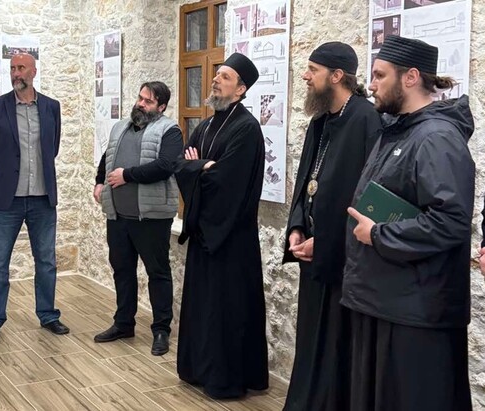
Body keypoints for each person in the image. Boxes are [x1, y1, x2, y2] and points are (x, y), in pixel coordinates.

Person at [345, 35, 474, 411]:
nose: (371, 84)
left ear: (411, 77)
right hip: (387, 298)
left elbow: (451, 221)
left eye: (380, 75)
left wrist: (378, 233)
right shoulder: (398, 130)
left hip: (416, 310)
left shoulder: (436, 138)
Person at [282, 42, 381, 411]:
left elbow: (367, 197)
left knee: (337, 348)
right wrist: (297, 225)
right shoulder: (321, 121)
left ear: (337, 75)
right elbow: (305, 181)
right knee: (311, 339)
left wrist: (324, 242)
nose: (305, 76)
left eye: (313, 70)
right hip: (312, 252)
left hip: (342, 259)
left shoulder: (366, 120)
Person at [175, 52, 268, 399]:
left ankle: (226, 379)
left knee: (228, 310)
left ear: (241, 89)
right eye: (217, 75)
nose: (215, 79)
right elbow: (180, 165)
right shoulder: (205, 125)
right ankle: (198, 369)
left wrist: (199, 167)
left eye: (224, 77)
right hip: (205, 234)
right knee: (204, 309)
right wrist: (202, 166)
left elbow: (228, 181)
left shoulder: (247, 128)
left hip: (231, 238)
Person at [0, 53, 69, 342]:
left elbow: (52, 147)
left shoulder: (51, 107)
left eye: (21, 68)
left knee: (46, 261)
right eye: (13, 68)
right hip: (6, 200)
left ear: (33, 72)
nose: (16, 73)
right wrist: (4, 173)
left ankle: (48, 315)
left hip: (42, 198)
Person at [92, 81, 183, 356]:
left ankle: (161, 330)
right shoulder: (120, 126)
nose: (141, 104)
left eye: (148, 101)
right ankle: (123, 323)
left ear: (161, 107)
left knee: (157, 272)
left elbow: (166, 166)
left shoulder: (170, 130)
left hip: (151, 217)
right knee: (122, 270)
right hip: (118, 215)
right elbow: (107, 157)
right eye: (140, 98)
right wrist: (99, 181)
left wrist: (127, 176)